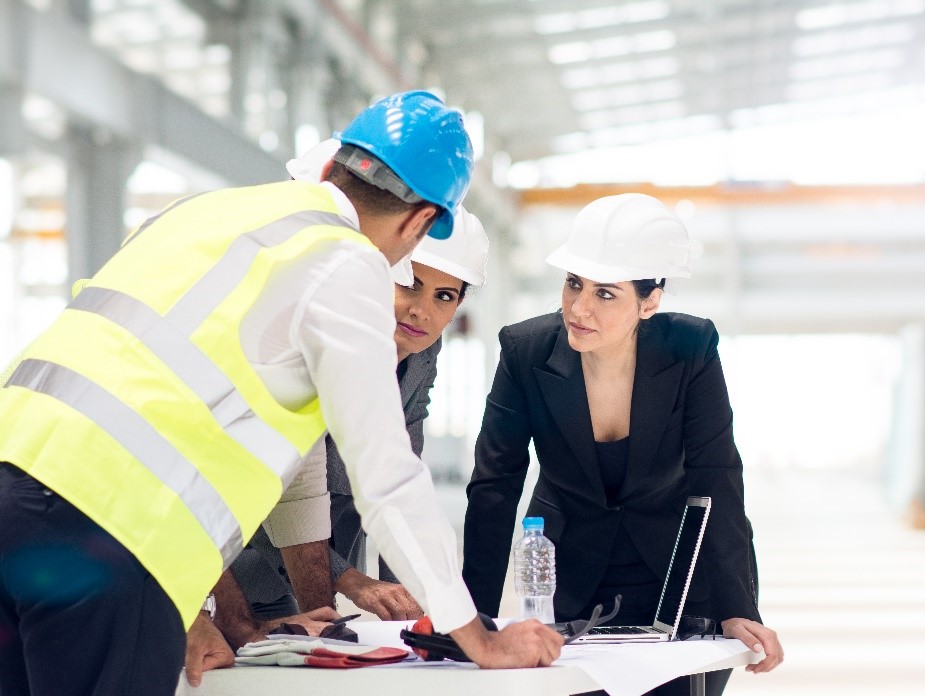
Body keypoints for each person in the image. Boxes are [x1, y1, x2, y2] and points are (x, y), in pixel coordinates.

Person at [0, 90, 561, 696]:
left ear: (331, 170)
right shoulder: (345, 263)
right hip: (112, 533)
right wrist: (479, 637)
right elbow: (389, 481)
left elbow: (147, 397)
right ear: (420, 221)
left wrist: (198, 613)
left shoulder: (202, 213)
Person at [462, 193, 782, 696]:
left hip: (681, 580)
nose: (579, 307)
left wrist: (737, 607)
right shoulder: (525, 351)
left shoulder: (690, 349)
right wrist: (473, 621)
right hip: (569, 578)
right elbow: (494, 487)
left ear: (650, 301)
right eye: (573, 284)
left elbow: (716, 474)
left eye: (605, 294)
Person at [232, 191, 490, 624]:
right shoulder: (315, 332)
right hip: (243, 560)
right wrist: (350, 579)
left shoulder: (422, 351)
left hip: (329, 553)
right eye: (410, 284)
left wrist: (410, 604)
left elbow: (402, 469)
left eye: (444, 296)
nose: (421, 311)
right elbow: (271, 489)